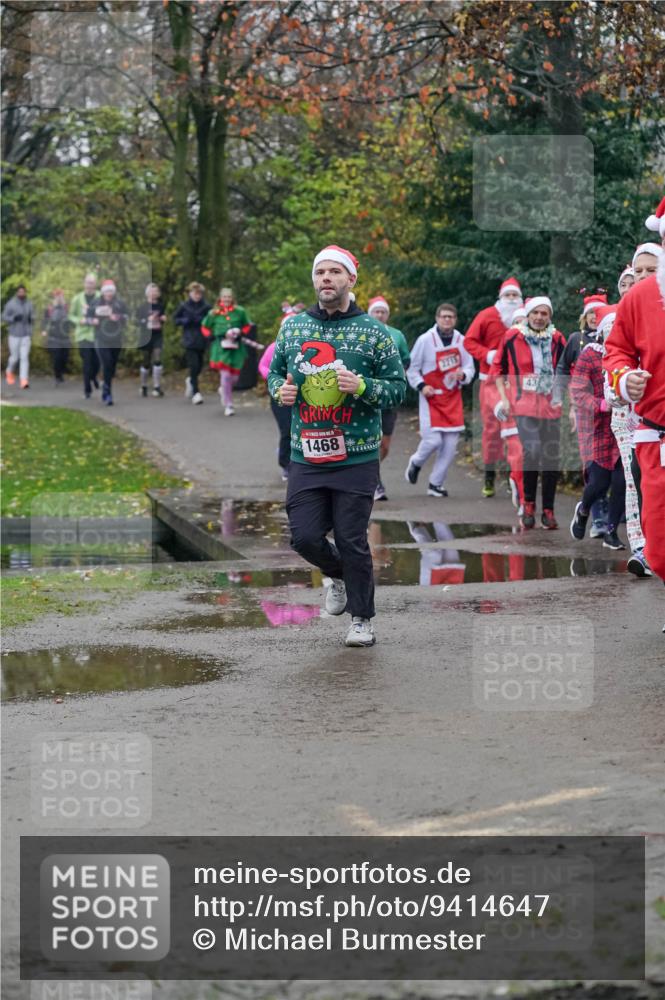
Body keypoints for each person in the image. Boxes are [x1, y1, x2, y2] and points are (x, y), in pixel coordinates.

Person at [267, 245, 406, 648]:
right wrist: (280, 391)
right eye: (320, 272)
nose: (326, 278)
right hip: (306, 454)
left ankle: (362, 619)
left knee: (351, 538)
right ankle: (338, 574)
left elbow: (398, 390)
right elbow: (274, 373)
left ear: (351, 279)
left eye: (334, 272)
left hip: (356, 455)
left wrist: (362, 386)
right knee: (304, 537)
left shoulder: (375, 332)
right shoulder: (293, 328)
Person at [603, 246, 665, 601]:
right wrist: (625, 380)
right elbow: (617, 351)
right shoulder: (640, 297)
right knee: (658, 544)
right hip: (654, 433)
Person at [494, 296, 566, 529]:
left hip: (551, 406)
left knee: (551, 457)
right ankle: (528, 505)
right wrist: (504, 399)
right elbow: (498, 368)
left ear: (550, 317)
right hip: (523, 404)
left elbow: (568, 368)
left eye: (544, 313)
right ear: (528, 314)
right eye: (535, 313)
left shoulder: (557, 338)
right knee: (533, 450)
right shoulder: (512, 337)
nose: (539, 317)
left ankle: (548, 511)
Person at [569, 304, 626, 550]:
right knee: (599, 483)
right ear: (602, 331)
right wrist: (601, 404)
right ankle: (583, 510)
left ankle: (611, 532)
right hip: (597, 426)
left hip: (624, 425)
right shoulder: (590, 355)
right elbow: (578, 393)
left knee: (622, 482)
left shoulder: (630, 355)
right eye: (610, 327)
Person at [553, 291, 609, 538]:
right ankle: (597, 517)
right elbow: (563, 369)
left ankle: (607, 513)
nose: (595, 318)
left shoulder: (614, 338)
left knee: (612, 466)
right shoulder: (576, 340)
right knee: (593, 464)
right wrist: (565, 403)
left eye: (599, 313)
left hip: (610, 411)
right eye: (591, 314)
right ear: (584, 317)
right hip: (584, 410)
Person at [405, 302, 474, 497]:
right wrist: (421, 386)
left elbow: (470, 367)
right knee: (433, 440)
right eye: (444, 316)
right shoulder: (425, 340)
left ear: (455, 320)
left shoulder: (462, 340)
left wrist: (464, 374)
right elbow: (412, 368)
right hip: (431, 397)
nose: (447, 320)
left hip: (452, 398)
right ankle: (416, 462)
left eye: (450, 317)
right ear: (437, 319)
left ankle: (436, 484)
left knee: (450, 446)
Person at [600, 305, 650, 575]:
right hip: (626, 425)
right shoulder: (614, 329)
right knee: (633, 483)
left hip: (654, 420)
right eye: (624, 285)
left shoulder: (651, 325)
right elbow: (610, 389)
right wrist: (623, 389)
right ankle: (641, 546)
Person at [464, 277, 524, 497]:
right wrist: (487, 355)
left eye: (515, 295)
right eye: (508, 295)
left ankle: (513, 476)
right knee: (491, 431)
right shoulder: (487, 315)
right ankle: (489, 476)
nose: (511, 299)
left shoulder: (527, 317)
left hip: (517, 384)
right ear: (500, 297)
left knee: (515, 430)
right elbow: (469, 341)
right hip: (489, 381)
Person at [366, 295, 411, 501]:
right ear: (370, 314)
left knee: (384, 445)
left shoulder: (397, 335)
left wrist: (397, 379)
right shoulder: (363, 332)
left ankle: (369, 472)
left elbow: (406, 360)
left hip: (388, 397)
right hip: (366, 394)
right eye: (376, 311)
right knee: (369, 441)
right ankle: (374, 481)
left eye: (383, 311)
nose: (380, 315)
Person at [201, 287, 261, 416]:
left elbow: (247, 325)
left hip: (236, 347)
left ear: (232, 298)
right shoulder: (213, 313)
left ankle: (224, 389)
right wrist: (209, 336)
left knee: (234, 377)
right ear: (220, 298)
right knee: (225, 375)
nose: (226, 299)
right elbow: (205, 327)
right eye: (224, 297)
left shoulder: (240, 311)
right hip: (220, 347)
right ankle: (229, 404)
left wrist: (241, 333)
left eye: (229, 297)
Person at [259, 311, 293, 482]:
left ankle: (300, 463)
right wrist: (276, 378)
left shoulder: (304, 347)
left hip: (300, 396)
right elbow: (263, 366)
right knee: (287, 430)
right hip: (280, 394)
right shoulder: (274, 347)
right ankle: (285, 464)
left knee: (300, 431)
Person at [87, 279, 128, 406]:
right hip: (101, 338)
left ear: (114, 292)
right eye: (107, 291)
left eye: (111, 291)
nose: (109, 294)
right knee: (106, 363)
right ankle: (107, 393)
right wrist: (92, 321)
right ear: (103, 292)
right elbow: (87, 317)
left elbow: (127, 317)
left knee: (112, 366)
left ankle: (105, 382)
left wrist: (118, 317)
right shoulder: (95, 302)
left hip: (116, 338)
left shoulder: (119, 303)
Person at [174, 282, 209, 405]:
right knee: (193, 365)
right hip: (189, 339)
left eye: (199, 293)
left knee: (199, 365)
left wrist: (203, 321)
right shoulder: (184, 306)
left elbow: (211, 320)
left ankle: (190, 380)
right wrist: (185, 321)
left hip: (202, 339)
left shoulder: (206, 307)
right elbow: (175, 319)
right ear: (190, 293)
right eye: (195, 293)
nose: (197, 296)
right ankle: (196, 392)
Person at [69, 274, 101, 398]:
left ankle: (93, 377)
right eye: (88, 283)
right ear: (84, 284)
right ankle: (87, 390)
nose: (89, 285)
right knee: (87, 362)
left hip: (97, 334)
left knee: (97, 362)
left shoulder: (100, 297)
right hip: (83, 335)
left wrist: (99, 320)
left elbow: (106, 312)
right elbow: (71, 315)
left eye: (92, 283)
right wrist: (79, 320)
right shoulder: (77, 299)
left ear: (95, 284)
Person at [136, 283, 167, 398]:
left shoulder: (160, 306)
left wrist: (163, 318)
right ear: (147, 293)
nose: (154, 293)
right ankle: (143, 385)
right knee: (146, 361)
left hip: (157, 335)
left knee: (157, 358)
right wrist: (146, 320)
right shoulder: (142, 307)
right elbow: (136, 321)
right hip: (146, 336)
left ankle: (157, 386)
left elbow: (162, 318)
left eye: (156, 291)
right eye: (152, 291)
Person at [2, 284, 33, 389]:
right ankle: (9, 371)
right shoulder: (11, 303)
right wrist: (13, 318)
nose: (21, 293)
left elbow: (33, 316)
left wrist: (31, 320)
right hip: (14, 334)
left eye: (23, 292)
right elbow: (3, 316)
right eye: (20, 292)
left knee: (24, 357)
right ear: (17, 292)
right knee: (14, 358)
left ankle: (24, 380)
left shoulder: (29, 303)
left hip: (26, 335)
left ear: (25, 292)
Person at [41, 289, 71, 385]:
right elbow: (44, 321)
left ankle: (61, 373)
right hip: (53, 338)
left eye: (60, 296)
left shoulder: (67, 308)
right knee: (56, 358)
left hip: (65, 338)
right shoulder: (50, 309)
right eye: (57, 296)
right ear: (54, 298)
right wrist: (44, 330)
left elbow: (72, 320)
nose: (59, 298)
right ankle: (58, 376)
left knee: (64, 358)